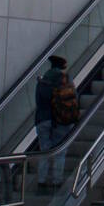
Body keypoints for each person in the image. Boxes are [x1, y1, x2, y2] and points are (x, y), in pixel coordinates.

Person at [34, 54, 79, 192]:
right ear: (62, 67)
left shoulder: (42, 81)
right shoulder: (65, 80)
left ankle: (41, 182)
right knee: (60, 151)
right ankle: (56, 181)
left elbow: (38, 102)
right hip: (61, 121)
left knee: (44, 151)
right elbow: (74, 98)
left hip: (43, 119)